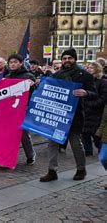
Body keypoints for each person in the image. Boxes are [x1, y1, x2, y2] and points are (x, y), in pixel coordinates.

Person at [40, 49, 97, 182]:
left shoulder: (84, 75)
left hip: (74, 116)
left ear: (75, 59)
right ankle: (52, 170)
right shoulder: (57, 75)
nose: (66, 60)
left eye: (69, 58)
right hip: (57, 115)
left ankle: (81, 169)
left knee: (76, 143)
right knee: (52, 143)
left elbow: (94, 93)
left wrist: (86, 93)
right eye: (64, 58)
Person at [5, 54, 36, 165]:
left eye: (15, 62)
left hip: (23, 108)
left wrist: (33, 86)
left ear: (21, 63)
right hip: (9, 109)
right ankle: (7, 156)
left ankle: (30, 155)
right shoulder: (7, 77)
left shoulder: (28, 76)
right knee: (8, 133)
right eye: (11, 62)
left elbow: (34, 93)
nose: (12, 64)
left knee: (23, 134)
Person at [81, 62, 107, 156]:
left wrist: (92, 104)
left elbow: (103, 97)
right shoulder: (86, 81)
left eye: (91, 68)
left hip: (96, 111)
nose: (88, 69)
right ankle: (88, 151)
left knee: (95, 134)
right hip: (85, 109)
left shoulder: (103, 82)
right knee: (85, 132)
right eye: (88, 67)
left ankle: (101, 148)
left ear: (97, 69)